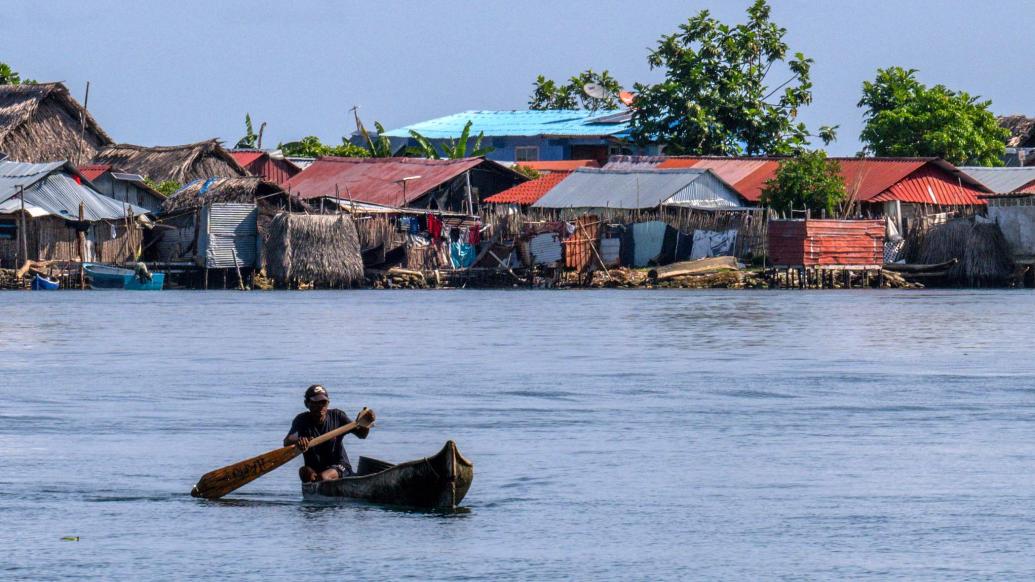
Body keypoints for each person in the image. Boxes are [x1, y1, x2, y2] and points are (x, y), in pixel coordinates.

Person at [284, 384, 369, 482]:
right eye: (315, 403)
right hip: (315, 468)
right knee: (304, 472)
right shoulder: (301, 420)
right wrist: (298, 441)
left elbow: (362, 435)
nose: (320, 406)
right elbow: (287, 441)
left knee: (323, 477)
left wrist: (366, 424)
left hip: (340, 467)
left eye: (323, 402)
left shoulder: (337, 416)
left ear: (328, 403)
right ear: (306, 404)